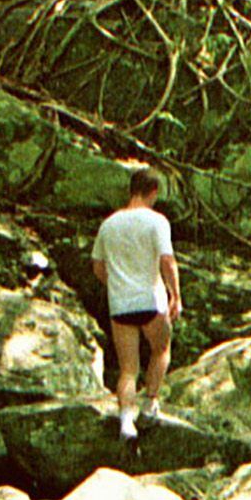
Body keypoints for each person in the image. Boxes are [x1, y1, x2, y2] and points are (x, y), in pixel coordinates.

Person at [91, 166, 181, 441]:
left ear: (131, 190)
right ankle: (150, 404)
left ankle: (126, 421)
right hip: (151, 301)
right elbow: (167, 260)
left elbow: (97, 266)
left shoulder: (109, 224)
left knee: (128, 368)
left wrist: (116, 285)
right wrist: (175, 294)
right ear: (153, 192)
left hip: (120, 305)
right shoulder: (157, 221)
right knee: (161, 349)